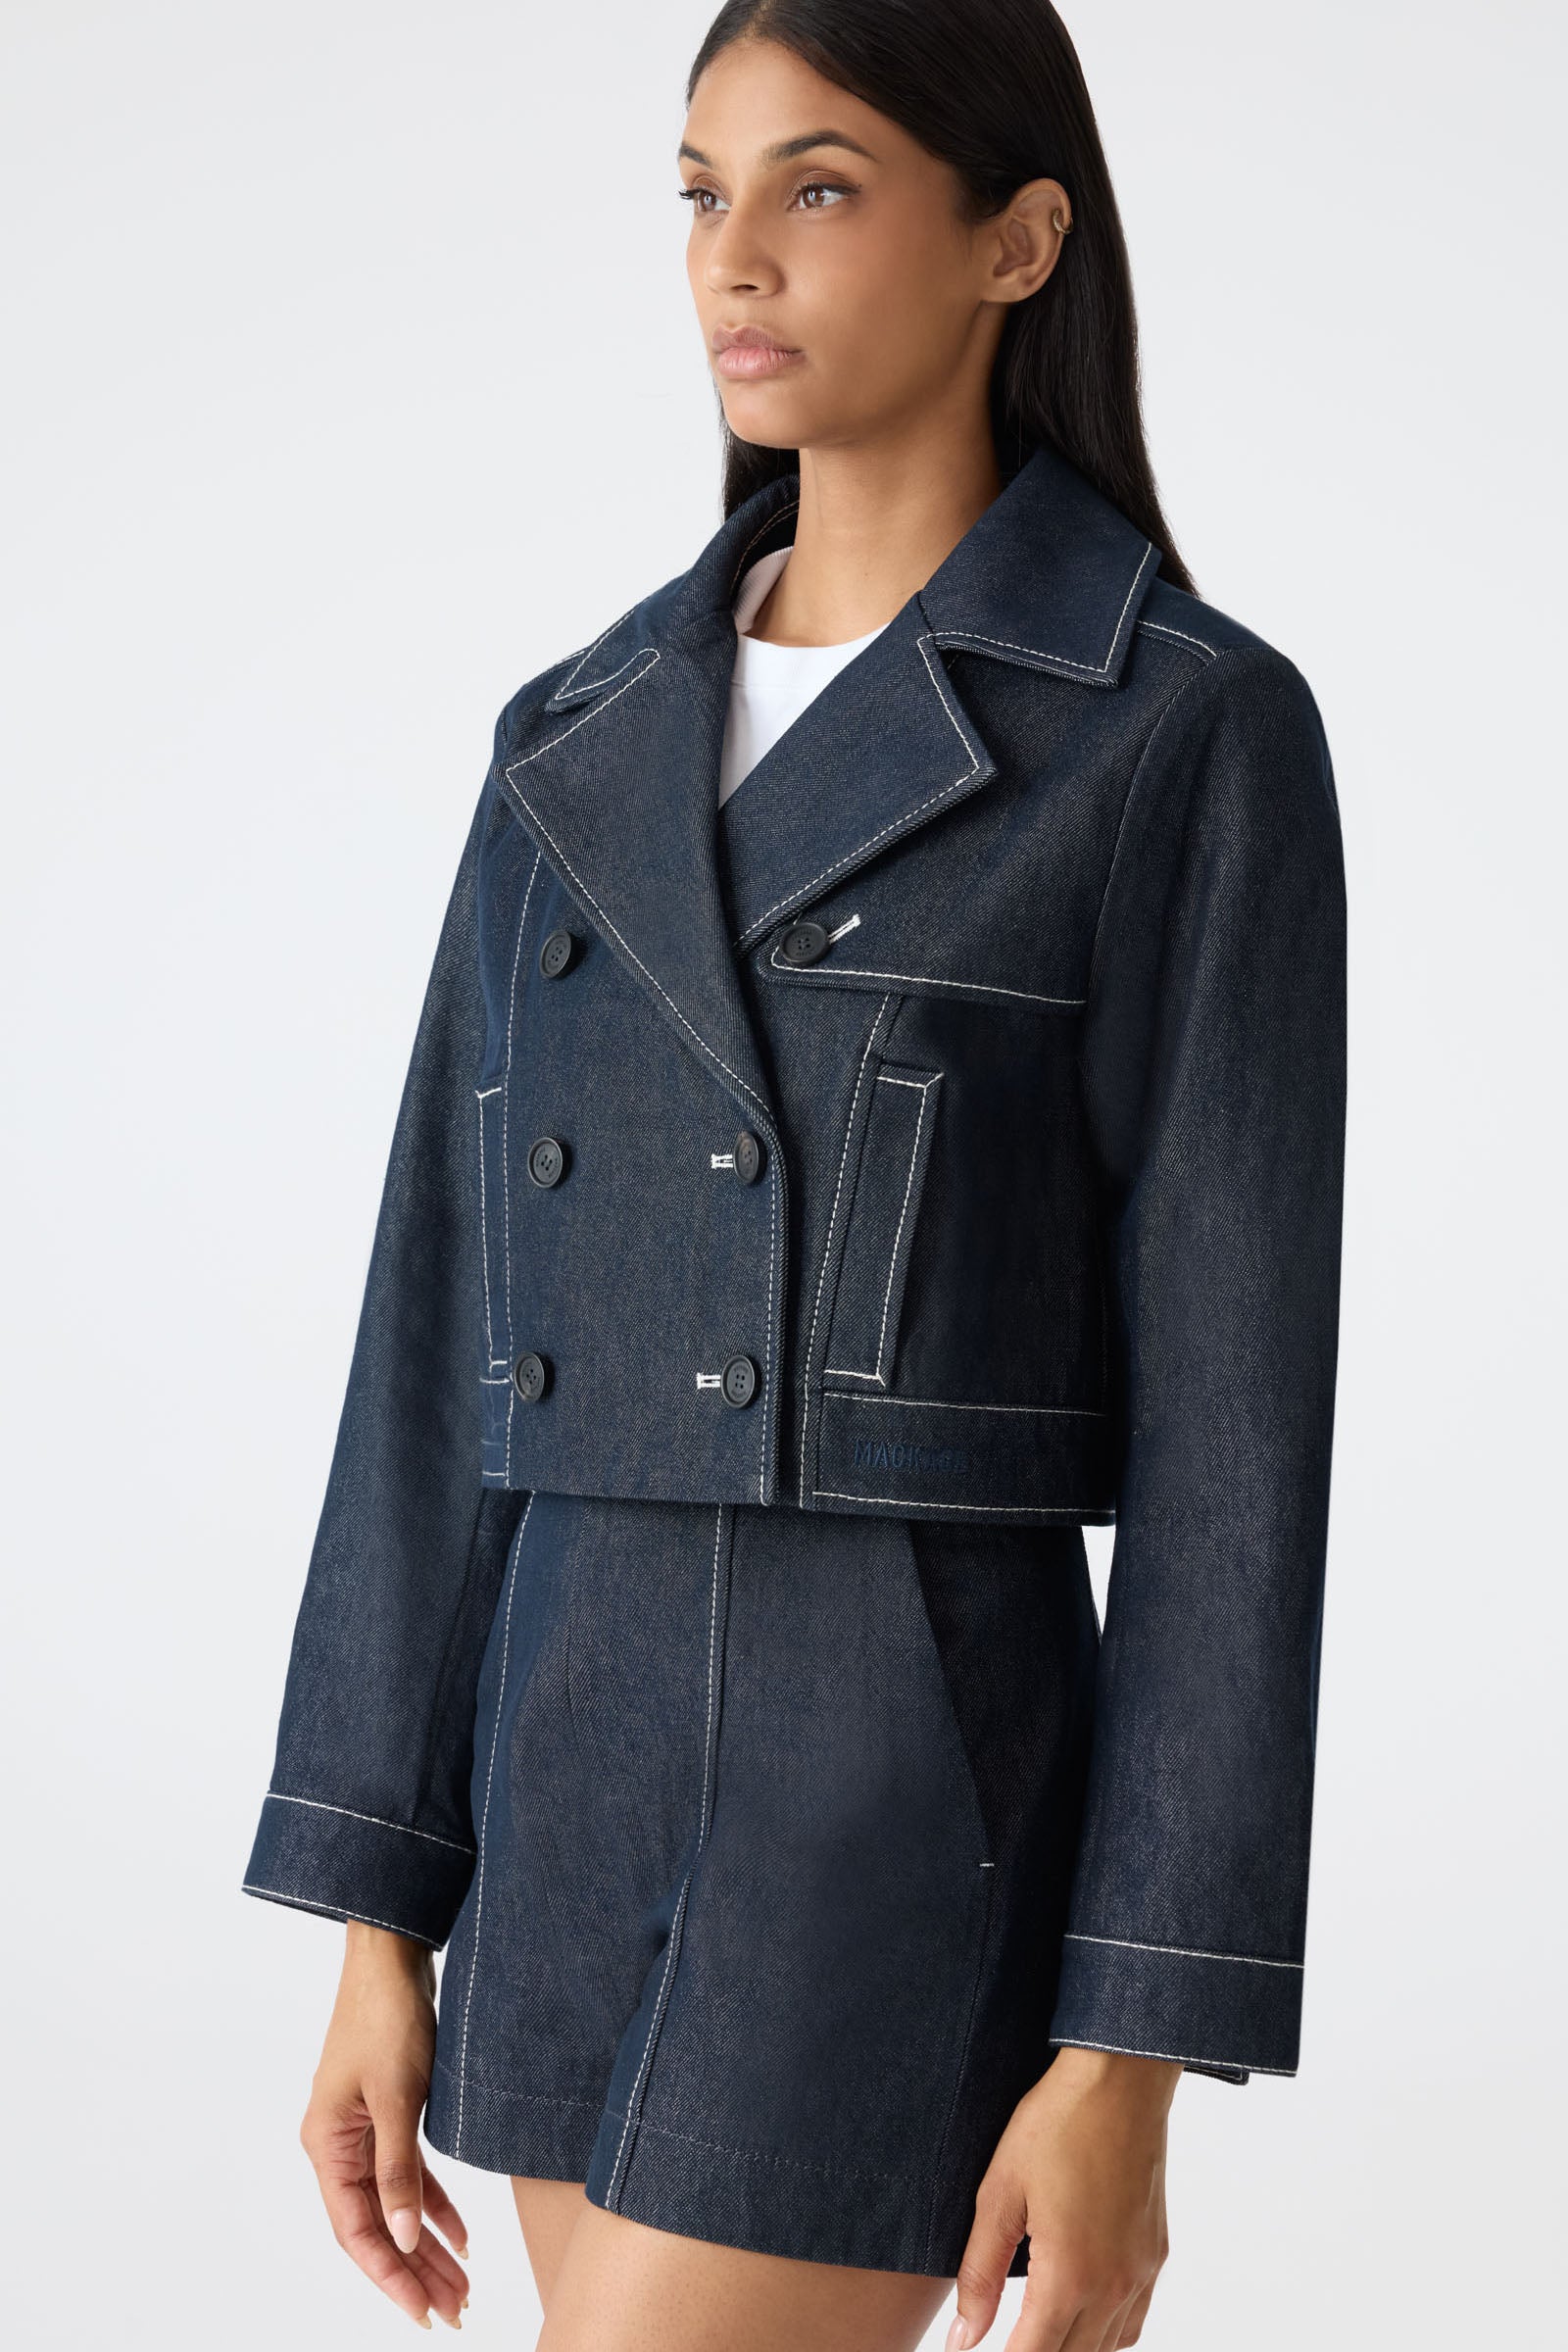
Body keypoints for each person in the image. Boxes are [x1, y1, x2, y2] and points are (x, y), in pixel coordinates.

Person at [240, 7, 1348, 2349]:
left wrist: (1129, 2045)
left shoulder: (1170, 726)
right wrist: (373, 1911)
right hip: (559, 1750)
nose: (729, 257)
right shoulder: (574, 729)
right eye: (697, 190)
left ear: (1015, 241)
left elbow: (1237, 1444)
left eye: (817, 187)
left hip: (889, 1773)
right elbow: (437, 1332)